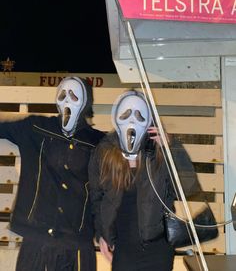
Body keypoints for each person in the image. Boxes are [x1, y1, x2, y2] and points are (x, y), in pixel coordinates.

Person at [88, 89, 202, 271]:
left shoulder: (158, 151)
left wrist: (172, 149)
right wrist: (101, 234)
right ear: (116, 116)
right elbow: (96, 197)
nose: (132, 119)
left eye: (139, 114)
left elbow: (186, 187)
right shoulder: (104, 152)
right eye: (126, 113)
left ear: (149, 119)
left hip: (158, 249)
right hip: (123, 250)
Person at [0, 76, 105, 271]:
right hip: (36, 238)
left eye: (74, 95)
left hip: (77, 241)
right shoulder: (36, 128)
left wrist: (167, 145)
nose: (67, 99)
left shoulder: (99, 142)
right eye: (62, 94)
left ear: (86, 102)